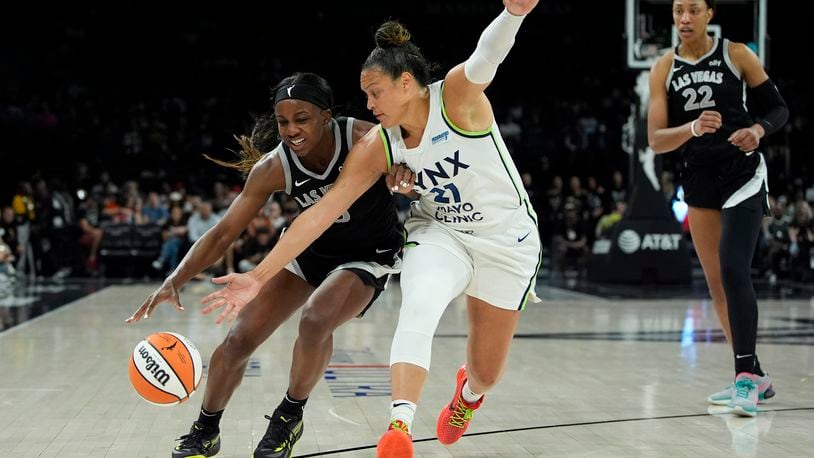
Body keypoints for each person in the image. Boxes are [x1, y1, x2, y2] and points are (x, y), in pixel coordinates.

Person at [199, 2, 542, 456]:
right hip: (441, 234)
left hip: (507, 242)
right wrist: (257, 278)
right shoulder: (377, 143)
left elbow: (487, 56)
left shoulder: (455, 99)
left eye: (375, 93)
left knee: (486, 371)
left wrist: (513, 15)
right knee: (417, 305)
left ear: (406, 83)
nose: (368, 104)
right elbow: (319, 214)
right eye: (365, 96)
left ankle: (469, 395)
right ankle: (399, 426)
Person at [126, 72, 405, 458]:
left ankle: (289, 416)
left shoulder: (363, 136)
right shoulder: (274, 166)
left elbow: (413, 161)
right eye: (283, 121)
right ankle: (205, 429)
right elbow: (224, 233)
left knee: (316, 318)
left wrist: (404, 173)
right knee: (240, 339)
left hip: (370, 252)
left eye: (302, 119)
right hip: (312, 247)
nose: (291, 130)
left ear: (326, 116)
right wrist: (176, 277)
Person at [647, 0, 788, 417]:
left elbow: (778, 109)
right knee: (716, 285)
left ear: (710, 13)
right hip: (699, 179)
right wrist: (691, 128)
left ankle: (744, 377)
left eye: (693, 10)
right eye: (677, 11)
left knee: (732, 267)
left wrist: (758, 129)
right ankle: (754, 376)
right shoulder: (663, 68)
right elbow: (655, 140)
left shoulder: (737, 53)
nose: (684, 19)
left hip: (742, 173)